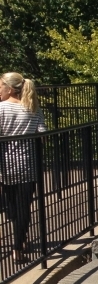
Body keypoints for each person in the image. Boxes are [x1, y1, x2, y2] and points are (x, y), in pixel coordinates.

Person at [0, 72, 45, 263]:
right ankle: (18, 247)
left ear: (9, 89)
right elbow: (42, 133)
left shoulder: (1, 109)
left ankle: (19, 240)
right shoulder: (33, 108)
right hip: (28, 165)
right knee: (23, 208)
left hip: (6, 167)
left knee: (11, 208)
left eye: (0, 86)